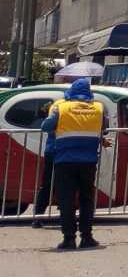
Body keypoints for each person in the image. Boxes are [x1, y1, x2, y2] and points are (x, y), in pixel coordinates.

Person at [40, 77, 107, 251]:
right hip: (88, 161)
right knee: (86, 199)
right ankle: (87, 237)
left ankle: (69, 238)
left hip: (65, 161)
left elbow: (46, 126)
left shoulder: (61, 107)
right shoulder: (99, 108)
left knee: (66, 200)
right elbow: (104, 128)